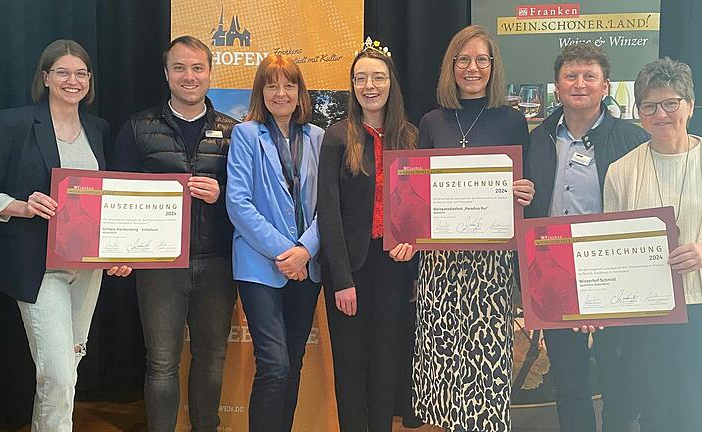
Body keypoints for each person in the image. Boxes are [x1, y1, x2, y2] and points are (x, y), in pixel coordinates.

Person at [0, 39, 131, 432]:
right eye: (62, 72)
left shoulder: (98, 128)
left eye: (81, 73)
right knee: (59, 375)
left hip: (87, 269)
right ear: (45, 77)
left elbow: (105, 202)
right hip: (37, 268)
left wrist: (117, 250)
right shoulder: (14, 122)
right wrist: (21, 206)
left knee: (65, 371)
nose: (73, 80)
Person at [604, 57, 702, 432]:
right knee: (655, 415)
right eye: (649, 106)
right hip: (649, 316)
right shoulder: (621, 171)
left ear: (690, 105)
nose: (661, 114)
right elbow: (609, 246)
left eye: (671, 103)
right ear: (639, 112)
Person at [112, 35, 238, 431]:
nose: (189, 76)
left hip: (218, 262)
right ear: (166, 74)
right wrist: (119, 250)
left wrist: (223, 194)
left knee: (212, 359)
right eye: (179, 68)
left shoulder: (235, 132)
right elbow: (117, 195)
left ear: (210, 73)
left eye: (197, 68)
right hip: (159, 266)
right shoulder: (137, 128)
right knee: (162, 362)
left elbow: (251, 201)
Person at [412, 25, 534, 432]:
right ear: (451, 66)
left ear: (493, 66)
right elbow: (417, 192)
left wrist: (524, 190)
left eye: (482, 59)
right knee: (442, 357)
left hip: (491, 262)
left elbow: (523, 185)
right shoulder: (431, 122)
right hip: (441, 264)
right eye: (463, 59)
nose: (472, 68)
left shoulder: (513, 121)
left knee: (488, 362)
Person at [524, 43, 649, 432]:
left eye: (589, 76)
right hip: (554, 270)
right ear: (557, 87)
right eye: (571, 76)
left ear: (606, 85)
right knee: (571, 383)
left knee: (618, 381)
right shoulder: (538, 137)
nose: (580, 84)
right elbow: (526, 204)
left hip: (614, 273)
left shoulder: (632, 138)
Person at [318, 43, 417, 431]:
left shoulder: (409, 136)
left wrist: (414, 250)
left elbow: (418, 207)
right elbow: (328, 212)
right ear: (352, 86)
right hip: (350, 268)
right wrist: (341, 279)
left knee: (387, 360)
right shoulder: (337, 137)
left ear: (391, 83)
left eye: (378, 77)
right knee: (351, 362)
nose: (369, 85)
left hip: (395, 266)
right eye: (361, 78)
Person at [226, 54, 323, 432]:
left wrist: (306, 250)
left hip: (307, 264)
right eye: (272, 85)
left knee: (293, 361)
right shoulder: (247, 135)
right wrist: (288, 252)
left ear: (300, 92)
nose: (281, 93)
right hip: (260, 266)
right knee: (274, 364)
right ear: (260, 91)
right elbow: (238, 203)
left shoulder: (317, 137)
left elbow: (328, 206)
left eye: (289, 85)